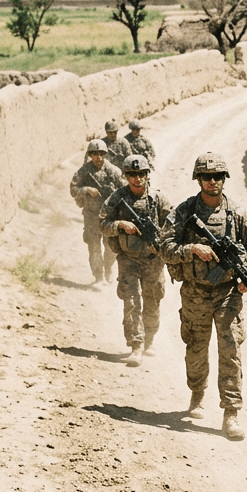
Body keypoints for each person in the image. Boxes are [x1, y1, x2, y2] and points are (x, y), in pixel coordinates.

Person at [158, 153, 247, 442]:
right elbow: (164, 246)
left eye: (218, 176)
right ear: (198, 180)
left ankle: (231, 412)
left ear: (224, 179)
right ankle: (197, 392)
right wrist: (191, 248)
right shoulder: (184, 212)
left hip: (227, 293)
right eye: (206, 177)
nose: (212, 182)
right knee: (195, 346)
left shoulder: (238, 214)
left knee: (230, 349)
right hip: (194, 292)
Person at [99, 154, 171, 367]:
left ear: (148, 175)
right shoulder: (117, 198)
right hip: (128, 259)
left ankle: (149, 339)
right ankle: (136, 345)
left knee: (152, 302)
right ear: (126, 176)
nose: (137, 179)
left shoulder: (159, 199)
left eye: (141, 174)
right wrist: (120, 224)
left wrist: (161, 240)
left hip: (153, 260)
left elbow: (174, 224)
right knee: (131, 302)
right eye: (132, 175)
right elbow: (102, 223)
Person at [69, 139, 124, 284]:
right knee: (93, 247)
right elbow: (73, 188)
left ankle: (108, 270)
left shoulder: (113, 171)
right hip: (91, 214)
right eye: (95, 154)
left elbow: (124, 190)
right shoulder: (84, 171)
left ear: (105, 154)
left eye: (101, 154)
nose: (98, 157)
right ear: (90, 155)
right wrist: (86, 189)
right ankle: (98, 276)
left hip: (109, 216)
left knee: (111, 247)